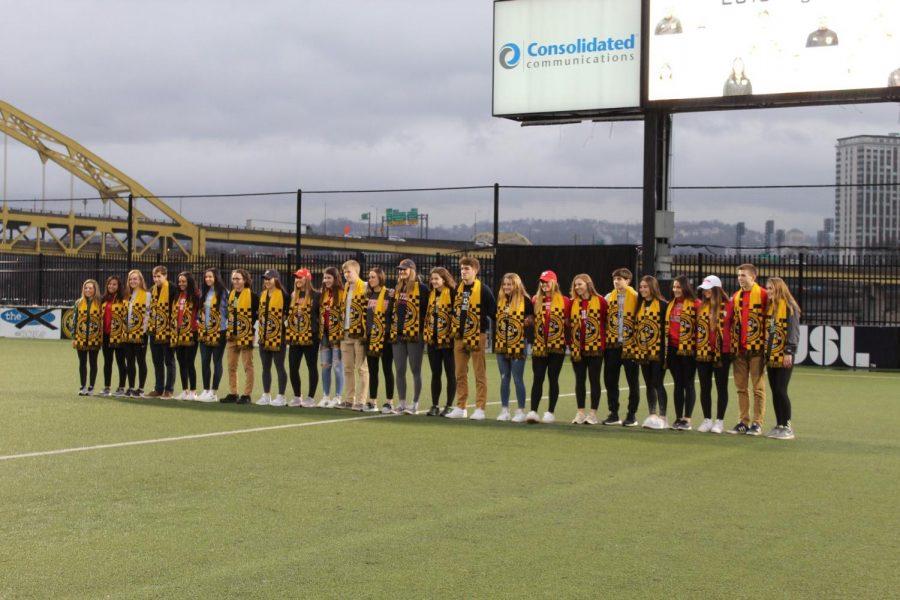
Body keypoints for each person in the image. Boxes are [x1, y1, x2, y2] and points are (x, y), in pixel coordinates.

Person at [446, 256, 496, 420]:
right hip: (459, 336)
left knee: (479, 374)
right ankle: (461, 407)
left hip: (477, 335)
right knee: (459, 373)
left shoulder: (484, 290)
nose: (463, 272)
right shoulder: (456, 290)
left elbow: (494, 313)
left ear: (475, 270)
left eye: (467, 269)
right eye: (461, 269)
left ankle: (480, 408)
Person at [526, 271, 571, 424]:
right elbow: (531, 318)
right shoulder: (535, 299)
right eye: (542, 282)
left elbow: (568, 322)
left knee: (553, 378)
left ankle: (550, 412)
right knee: (537, 378)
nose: (544, 285)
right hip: (539, 346)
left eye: (547, 282)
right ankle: (533, 411)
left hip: (557, 346)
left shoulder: (565, 301)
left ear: (554, 283)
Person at [729, 263, 768, 436]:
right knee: (741, 388)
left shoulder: (763, 295)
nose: (740, 278)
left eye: (743, 275)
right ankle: (743, 421)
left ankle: (757, 423)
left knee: (758, 388)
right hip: (740, 350)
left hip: (757, 349)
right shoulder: (736, 296)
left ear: (753, 277)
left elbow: (770, 320)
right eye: (739, 275)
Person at [695, 275, 734, 434]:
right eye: (703, 289)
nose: (705, 292)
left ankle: (719, 421)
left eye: (708, 289)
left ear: (717, 289)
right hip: (703, 352)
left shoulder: (729, 306)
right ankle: (707, 419)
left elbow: (734, 327)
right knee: (705, 386)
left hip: (722, 352)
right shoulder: (701, 306)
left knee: (721, 386)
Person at [390, 259, 429, 414]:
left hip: (414, 335)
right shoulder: (398, 288)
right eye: (400, 269)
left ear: (412, 270)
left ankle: (415, 403)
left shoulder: (422, 288)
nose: (401, 272)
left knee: (415, 370)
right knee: (399, 369)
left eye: (404, 269)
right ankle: (402, 403)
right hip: (398, 335)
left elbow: (426, 312)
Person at [603, 267, 640, 426]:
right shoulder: (608, 297)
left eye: (620, 278)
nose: (617, 281)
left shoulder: (636, 297)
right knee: (610, 380)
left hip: (630, 345)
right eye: (615, 279)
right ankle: (613, 413)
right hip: (612, 345)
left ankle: (631, 415)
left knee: (633, 381)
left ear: (628, 281)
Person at [494, 273, 533, 423]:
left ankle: (521, 411)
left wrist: (526, 321)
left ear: (516, 285)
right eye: (504, 284)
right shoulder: (501, 300)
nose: (506, 287)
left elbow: (532, 318)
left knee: (517, 378)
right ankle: (504, 410)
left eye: (509, 284)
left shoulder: (525, 300)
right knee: (504, 378)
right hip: (501, 344)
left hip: (518, 344)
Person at [569, 274, 607, 425]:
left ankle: (592, 414)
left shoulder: (601, 301)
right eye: (575, 285)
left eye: (580, 284)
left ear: (588, 284)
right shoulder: (572, 303)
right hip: (577, 348)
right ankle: (580, 413)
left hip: (596, 348)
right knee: (579, 380)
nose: (577, 287)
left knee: (594, 380)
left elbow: (606, 321)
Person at [764, 277, 800, 440]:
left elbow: (793, 332)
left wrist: (789, 351)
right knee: (775, 391)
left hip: (784, 354)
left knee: (781, 389)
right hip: (771, 355)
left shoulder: (790, 307)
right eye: (768, 288)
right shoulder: (771, 307)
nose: (769, 291)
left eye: (771, 288)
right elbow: (771, 331)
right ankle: (779, 424)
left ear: (779, 289)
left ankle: (787, 426)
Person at [634, 276, 669, 430]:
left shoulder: (663, 305)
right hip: (643, 351)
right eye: (641, 287)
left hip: (658, 351)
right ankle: (652, 414)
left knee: (657, 382)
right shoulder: (639, 305)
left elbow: (666, 330)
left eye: (645, 287)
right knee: (648, 383)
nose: (642, 289)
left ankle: (663, 416)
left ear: (653, 288)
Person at [666, 276, 699, 430]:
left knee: (688, 384)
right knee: (678, 384)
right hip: (672, 348)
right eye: (674, 287)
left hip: (688, 349)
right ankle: (678, 417)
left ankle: (687, 419)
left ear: (685, 288)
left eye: (679, 287)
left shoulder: (695, 304)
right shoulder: (670, 304)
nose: (676, 290)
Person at [424, 267, 457, 417]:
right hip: (433, 340)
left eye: (437, 278)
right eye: (432, 279)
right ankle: (435, 405)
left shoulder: (452, 293)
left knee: (450, 373)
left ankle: (449, 405)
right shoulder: (431, 294)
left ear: (444, 279)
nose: (434, 281)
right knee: (435, 373)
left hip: (448, 341)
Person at [286, 268, 320, 408]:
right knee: (293, 367)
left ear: (307, 279)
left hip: (311, 336)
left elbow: (319, 315)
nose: (297, 280)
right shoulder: (293, 294)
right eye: (296, 278)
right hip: (295, 336)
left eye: (300, 277)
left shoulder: (316, 295)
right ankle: (297, 396)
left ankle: (310, 398)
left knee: (311, 366)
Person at [222, 268, 258, 405]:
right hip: (232, 335)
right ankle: (233, 393)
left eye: (238, 279)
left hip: (246, 334)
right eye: (233, 279)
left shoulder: (253, 296)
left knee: (247, 366)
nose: (235, 281)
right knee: (231, 366)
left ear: (245, 280)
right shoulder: (231, 294)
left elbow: (257, 315)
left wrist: (250, 331)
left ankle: (246, 394)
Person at [340, 260, 369, 411]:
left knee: (361, 369)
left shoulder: (365, 287)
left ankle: (361, 400)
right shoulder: (346, 287)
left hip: (359, 333)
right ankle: (349, 399)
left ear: (357, 271)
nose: (346, 275)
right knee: (347, 368)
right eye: (344, 272)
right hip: (345, 332)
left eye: (349, 271)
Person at [256, 269, 288, 406]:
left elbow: (288, 315)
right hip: (263, 336)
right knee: (265, 367)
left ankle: (281, 396)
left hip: (278, 336)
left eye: (269, 278)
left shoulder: (284, 295)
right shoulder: (263, 294)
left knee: (279, 366)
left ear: (276, 279)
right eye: (265, 279)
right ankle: (266, 394)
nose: (267, 281)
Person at [365, 267, 395, 414]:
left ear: (380, 278)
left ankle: (389, 402)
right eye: (369, 277)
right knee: (373, 370)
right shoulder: (368, 294)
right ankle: (372, 401)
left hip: (385, 336)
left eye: (373, 277)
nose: (370, 279)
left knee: (387, 369)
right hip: (371, 336)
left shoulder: (389, 294)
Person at [197, 268, 228, 403]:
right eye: (206, 277)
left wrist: (221, 323)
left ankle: (214, 392)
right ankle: (205, 390)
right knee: (204, 361)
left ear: (216, 277)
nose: (208, 279)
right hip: (205, 331)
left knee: (217, 362)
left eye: (210, 277)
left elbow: (227, 311)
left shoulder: (223, 292)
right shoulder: (204, 292)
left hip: (219, 331)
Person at [145, 265, 176, 399]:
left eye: (159, 276)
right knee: (157, 361)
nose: (156, 279)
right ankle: (158, 389)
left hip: (168, 331)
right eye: (154, 276)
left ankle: (169, 389)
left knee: (169, 361)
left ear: (165, 276)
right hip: (154, 330)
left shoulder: (173, 289)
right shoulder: (151, 290)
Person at [170, 271, 200, 400]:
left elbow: (200, 313)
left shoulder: (196, 296)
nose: (181, 284)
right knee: (181, 362)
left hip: (191, 333)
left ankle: (193, 391)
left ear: (189, 282)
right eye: (180, 281)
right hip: (178, 334)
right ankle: (184, 390)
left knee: (190, 362)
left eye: (184, 281)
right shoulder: (177, 296)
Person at [318, 267, 344, 408]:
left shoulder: (341, 293)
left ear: (335, 278)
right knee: (325, 367)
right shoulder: (323, 293)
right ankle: (325, 396)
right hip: (324, 335)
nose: (326, 280)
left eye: (329, 278)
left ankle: (338, 397)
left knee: (337, 367)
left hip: (337, 335)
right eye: (325, 278)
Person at [122, 269, 151, 397]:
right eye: (131, 279)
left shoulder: (147, 295)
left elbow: (148, 315)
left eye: (135, 279)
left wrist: (142, 332)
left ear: (140, 280)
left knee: (141, 361)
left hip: (140, 335)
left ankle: (140, 388)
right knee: (130, 361)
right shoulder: (127, 295)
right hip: (127, 334)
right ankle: (131, 387)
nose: (133, 281)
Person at [98, 275, 127, 397]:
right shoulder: (103, 299)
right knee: (107, 362)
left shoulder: (123, 299)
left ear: (119, 286)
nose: (111, 286)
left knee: (121, 362)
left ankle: (121, 387)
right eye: (110, 284)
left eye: (114, 284)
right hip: (105, 335)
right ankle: (107, 387)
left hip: (118, 335)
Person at [73, 279, 102, 395]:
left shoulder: (100, 303)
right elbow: (74, 321)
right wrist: (74, 337)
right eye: (86, 288)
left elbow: (102, 321)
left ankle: (91, 387)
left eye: (90, 288)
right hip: (80, 337)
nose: (88, 290)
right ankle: (83, 386)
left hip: (95, 338)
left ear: (95, 290)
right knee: (82, 363)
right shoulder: (78, 303)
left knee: (93, 362)